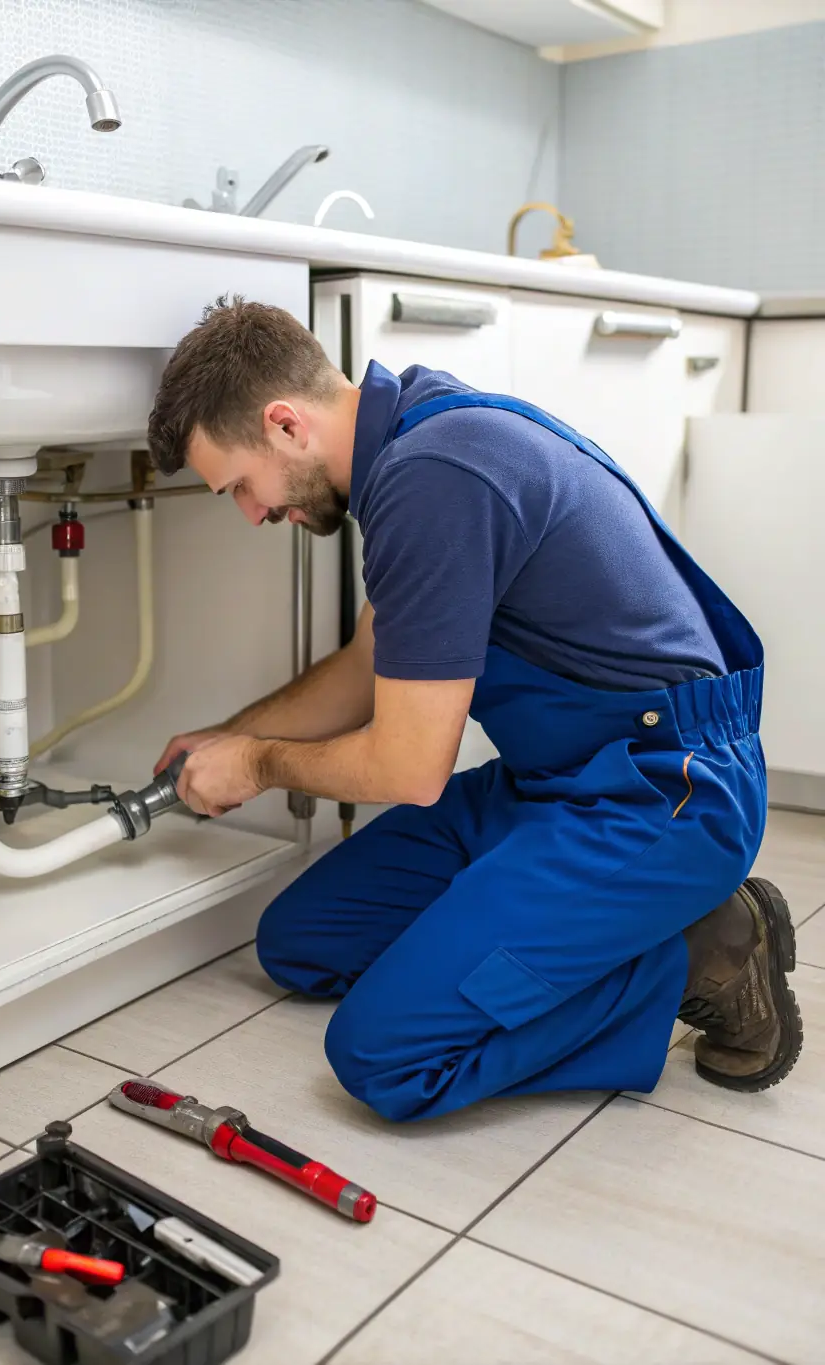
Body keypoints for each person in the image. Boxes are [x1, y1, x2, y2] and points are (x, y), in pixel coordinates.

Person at [146, 295, 802, 1122]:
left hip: (661, 797)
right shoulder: (413, 436)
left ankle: (692, 953)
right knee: (298, 943)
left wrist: (257, 764)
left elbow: (409, 769)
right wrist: (235, 734)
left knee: (385, 1056)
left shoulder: (433, 480)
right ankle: (537, 925)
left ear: (284, 424)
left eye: (239, 485)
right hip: (554, 780)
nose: (252, 512)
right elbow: (363, 669)